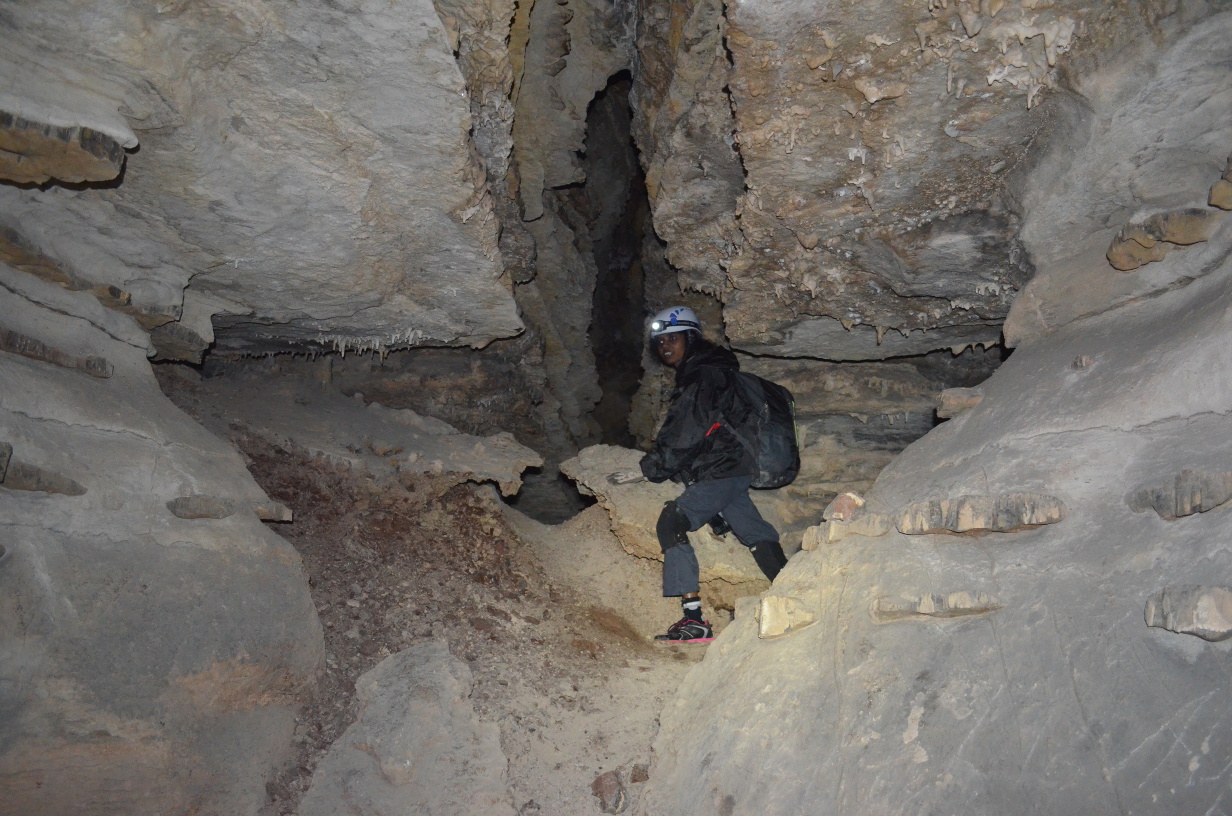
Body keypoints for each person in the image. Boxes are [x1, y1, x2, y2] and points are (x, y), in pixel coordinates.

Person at [610, 306, 788, 643]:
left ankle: (694, 621)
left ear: (691, 338)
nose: (665, 345)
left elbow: (686, 430)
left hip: (720, 470)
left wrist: (648, 470)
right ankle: (792, 589)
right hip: (732, 469)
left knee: (672, 521)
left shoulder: (703, 374)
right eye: (660, 340)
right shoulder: (712, 370)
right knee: (753, 530)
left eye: (673, 338)